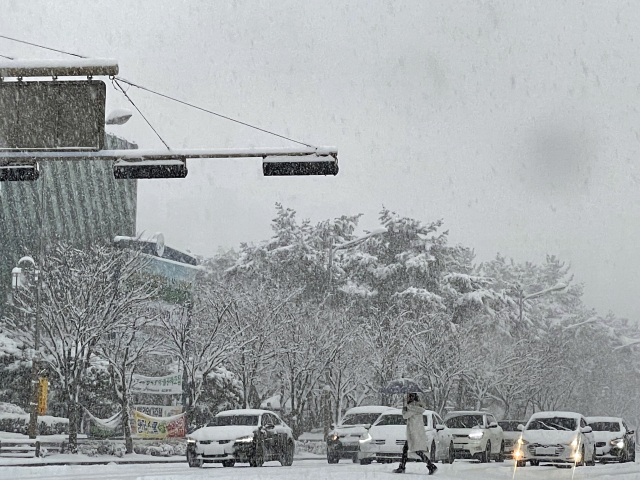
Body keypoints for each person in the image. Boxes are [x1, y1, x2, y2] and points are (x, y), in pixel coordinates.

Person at [393, 392, 437, 475]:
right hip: (416, 432)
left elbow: (405, 416)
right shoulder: (417, 407)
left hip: (413, 432)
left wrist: (404, 408)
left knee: (416, 451)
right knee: (408, 449)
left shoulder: (412, 408)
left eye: (408, 397)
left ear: (411, 398)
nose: (407, 398)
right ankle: (402, 466)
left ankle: (430, 465)